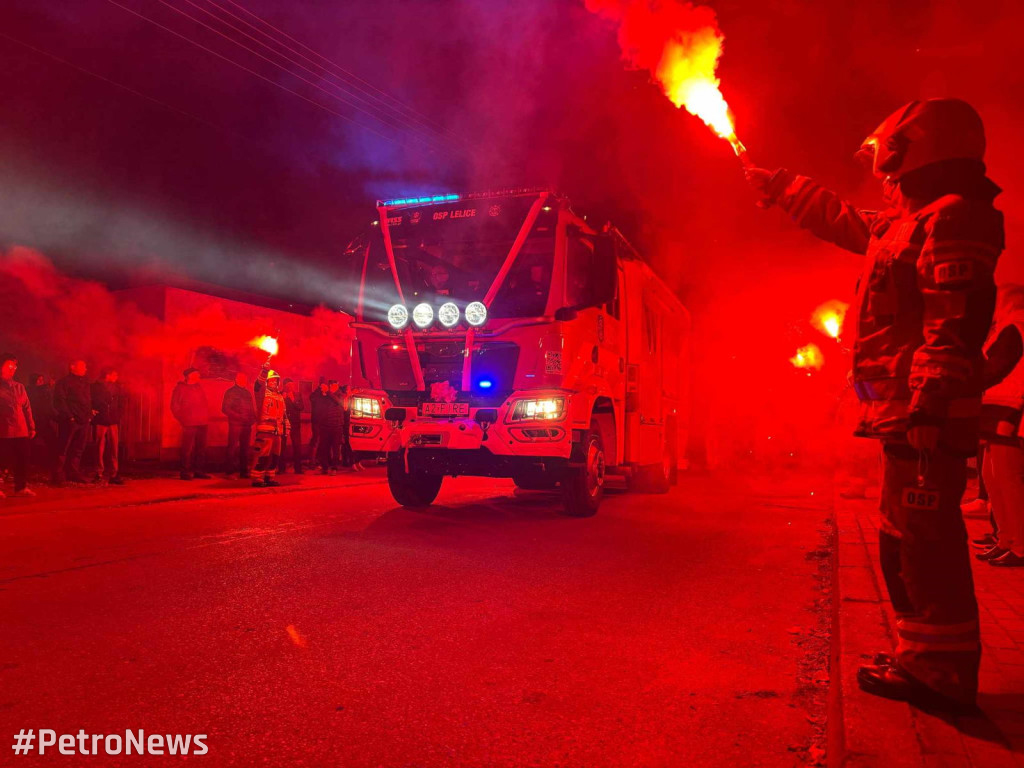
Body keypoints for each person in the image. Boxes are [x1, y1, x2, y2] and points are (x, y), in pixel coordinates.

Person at [746, 98, 1004, 711]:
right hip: (907, 416)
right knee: (904, 538)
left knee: (924, 541)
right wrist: (783, 187)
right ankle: (922, 658)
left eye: (889, 163)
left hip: (926, 421)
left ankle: (942, 674)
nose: (883, 177)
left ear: (917, 151)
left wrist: (929, 406)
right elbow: (845, 221)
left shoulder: (952, 219)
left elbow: (955, 321)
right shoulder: (911, 222)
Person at [974, 285, 1024, 566]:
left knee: (1007, 479)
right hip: (999, 410)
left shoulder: (1015, 327)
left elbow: (995, 368)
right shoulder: (1009, 327)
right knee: (993, 476)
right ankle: (1006, 539)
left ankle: (1019, 545)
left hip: (1010, 411)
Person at [0, 353, 36, 498]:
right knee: (2, 460)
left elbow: (27, 408)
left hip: (21, 430)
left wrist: (31, 426)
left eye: (14, 366)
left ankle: (21, 487)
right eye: (9, 365)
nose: (12, 368)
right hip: (3, 430)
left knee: (23, 459)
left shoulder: (19, 387)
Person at [53, 359, 93, 484]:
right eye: (82, 366)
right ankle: (58, 475)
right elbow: (60, 401)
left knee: (78, 448)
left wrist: (88, 414)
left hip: (83, 420)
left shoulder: (85, 382)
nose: (85, 369)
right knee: (63, 447)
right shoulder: (63, 383)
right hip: (70, 421)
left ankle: (73, 472)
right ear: (72, 367)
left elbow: (87, 400)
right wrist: (70, 417)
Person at [248, 366, 288, 487]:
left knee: (275, 456)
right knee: (262, 455)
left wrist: (287, 427)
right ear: (266, 382)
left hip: (277, 432)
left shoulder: (280, 396)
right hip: (265, 430)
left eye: (276, 381)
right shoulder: (262, 394)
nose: (274, 383)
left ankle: (269, 477)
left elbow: (284, 413)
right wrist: (264, 371)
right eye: (271, 380)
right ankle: (257, 479)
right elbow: (258, 385)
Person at [170, 367, 211, 480]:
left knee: (201, 448)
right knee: (187, 449)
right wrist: (183, 419)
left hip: (202, 422)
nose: (199, 376)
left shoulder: (198, 387)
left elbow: (204, 403)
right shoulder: (180, 388)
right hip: (189, 423)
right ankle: (185, 472)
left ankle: (199, 471)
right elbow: (174, 406)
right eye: (197, 374)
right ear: (190, 376)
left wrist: (206, 416)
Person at [91, 367, 125, 485]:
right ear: (108, 375)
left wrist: (118, 415)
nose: (116, 377)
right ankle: (98, 472)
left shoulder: (117, 387)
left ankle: (114, 473)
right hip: (101, 420)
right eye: (114, 375)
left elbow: (121, 402)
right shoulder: (96, 387)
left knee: (114, 448)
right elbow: (93, 400)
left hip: (112, 421)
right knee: (99, 447)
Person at [221, 372, 255, 478]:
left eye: (245, 379)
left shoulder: (247, 393)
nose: (244, 381)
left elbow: (251, 408)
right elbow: (225, 408)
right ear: (236, 380)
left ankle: (244, 471)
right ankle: (230, 471)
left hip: (246, 424)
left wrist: (252, 419)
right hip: (236, 424)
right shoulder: (230, 392)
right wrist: (239, 417)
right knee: (232, 447)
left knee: (245, 448)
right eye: (242, 379)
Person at [27, 373, 56, 471]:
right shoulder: (31, 390)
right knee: (29, 443)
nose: (41, 382)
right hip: (35, 421)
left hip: (43, 420)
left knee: (51, 441)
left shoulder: (43, 391)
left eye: (42, 380)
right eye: (39, 380)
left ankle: (49, 463)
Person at [318, 380, 345, 475]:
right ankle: (325, 467)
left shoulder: (340, 395)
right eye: (331, 385)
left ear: (337, 386)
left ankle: (335, 468)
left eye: (334, 385)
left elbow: (338, 401)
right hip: (325, 426)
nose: (332, 387)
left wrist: (328, 393)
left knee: (336, 449)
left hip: (336, 426)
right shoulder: (326, 395)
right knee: (324, 448)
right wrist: (322, 393)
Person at [282, 379, 304, 474]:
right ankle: (281, 468)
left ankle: (298, 468)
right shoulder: (280, 394)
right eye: (288, 385)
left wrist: (293, 400)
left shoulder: (297, 395)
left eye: (292, 385)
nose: (290, 387)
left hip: (295, 423)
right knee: (282, 446)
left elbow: (301, 407)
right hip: (283, 423)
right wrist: (282, 398)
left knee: (297, 445)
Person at [308, 378, 329, 468]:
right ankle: (312, 461)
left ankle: (317, 461)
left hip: (321, 421)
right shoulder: (317, 395)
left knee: (320, 441)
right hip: (318, 421)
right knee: (316, 441)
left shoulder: (320, 395)